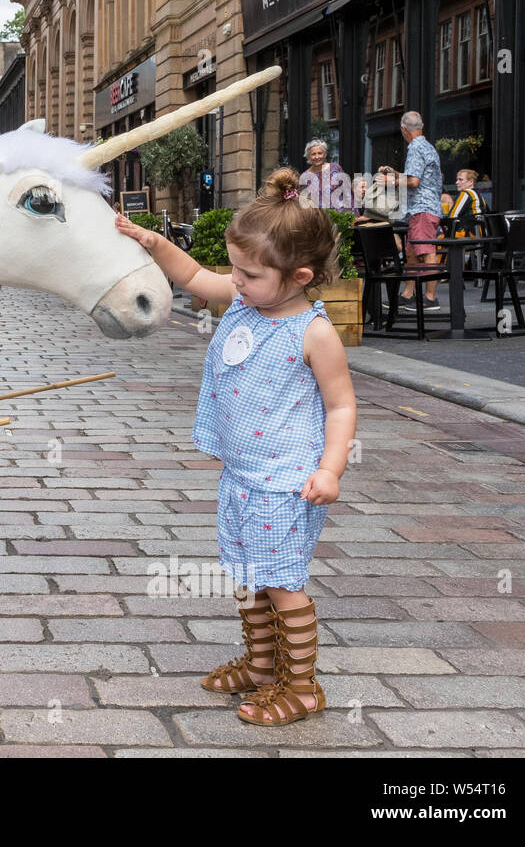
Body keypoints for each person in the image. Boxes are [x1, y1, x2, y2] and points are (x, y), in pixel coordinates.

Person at [115, 167, 357, 726]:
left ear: (299, 276)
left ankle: (302, 687)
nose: (237, 281)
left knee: (283, 584)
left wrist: (331, 468)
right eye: (237, 270)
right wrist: (152, 242)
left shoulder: (313, 332)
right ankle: (262, 663)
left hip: (286, 481)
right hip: (243, 475)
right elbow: (196, 276)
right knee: (248, 574)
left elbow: (342, 405)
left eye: (249, 273)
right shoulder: (246, 300)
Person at [379, 112, 443, 311]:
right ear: (421, 125)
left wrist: (391, 181)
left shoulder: (415, 148)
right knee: (412, 252)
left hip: (422, 208)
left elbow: (414, 182)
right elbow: (415, 176)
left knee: (426, 251)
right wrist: (396, 173)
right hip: (426, 207)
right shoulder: (427, 146)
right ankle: (408, 294)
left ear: (404, 129)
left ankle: (431, 298)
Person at [298, 140, 352, 213]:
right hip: (318, 218)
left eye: (320, 153)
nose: (317, 157)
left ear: (325, 154)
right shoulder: (304, 176)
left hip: (340, 216)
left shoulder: (335, 168)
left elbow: (347, 192)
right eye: (313, 154)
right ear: (308, 156)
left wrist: (351, 215)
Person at [445, 168, 488, 239]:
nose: (457, 182)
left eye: (460, 179)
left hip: (469, 234)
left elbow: (452, 216)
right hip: (481, 233)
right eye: (457, 179)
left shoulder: (466, 194)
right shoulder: (479, 195)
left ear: (471, 182)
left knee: (436, 237)